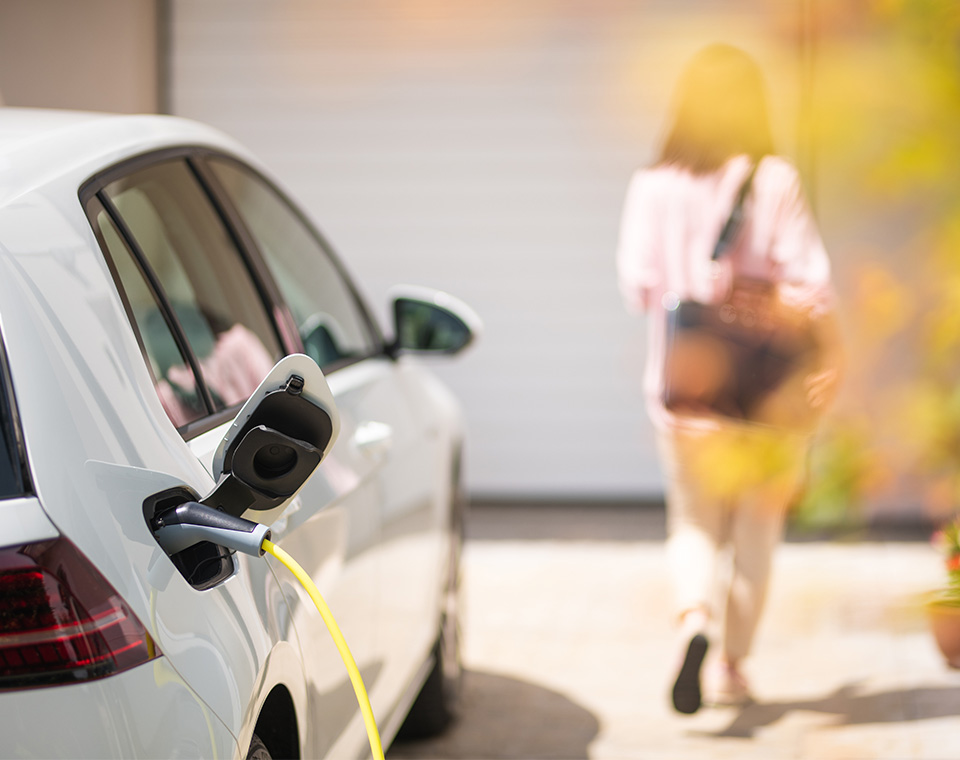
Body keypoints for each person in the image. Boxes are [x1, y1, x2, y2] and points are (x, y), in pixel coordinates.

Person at [616, 44, 842, 714]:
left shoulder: (652, 184)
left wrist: (692, 283)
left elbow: (636, 285)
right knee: (754, 531)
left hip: (684, 388)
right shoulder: (774, 180)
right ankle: (734, 668)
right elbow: (814, 289)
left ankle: (694, 623)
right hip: (765, 395)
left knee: (691, 522)